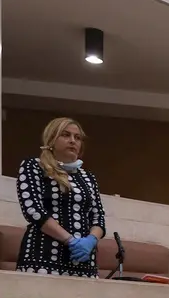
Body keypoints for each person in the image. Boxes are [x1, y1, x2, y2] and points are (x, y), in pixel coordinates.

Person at [14, 117, 106, 278]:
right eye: (65, 135)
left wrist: (91, 240)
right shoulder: (34, 166)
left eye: (77, 138)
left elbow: (98, 218)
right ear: (51, 139)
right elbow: (33, 210)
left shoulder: (88, 177)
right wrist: (69, 240)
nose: (72, 141)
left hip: (83, 263)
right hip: (43, 257)